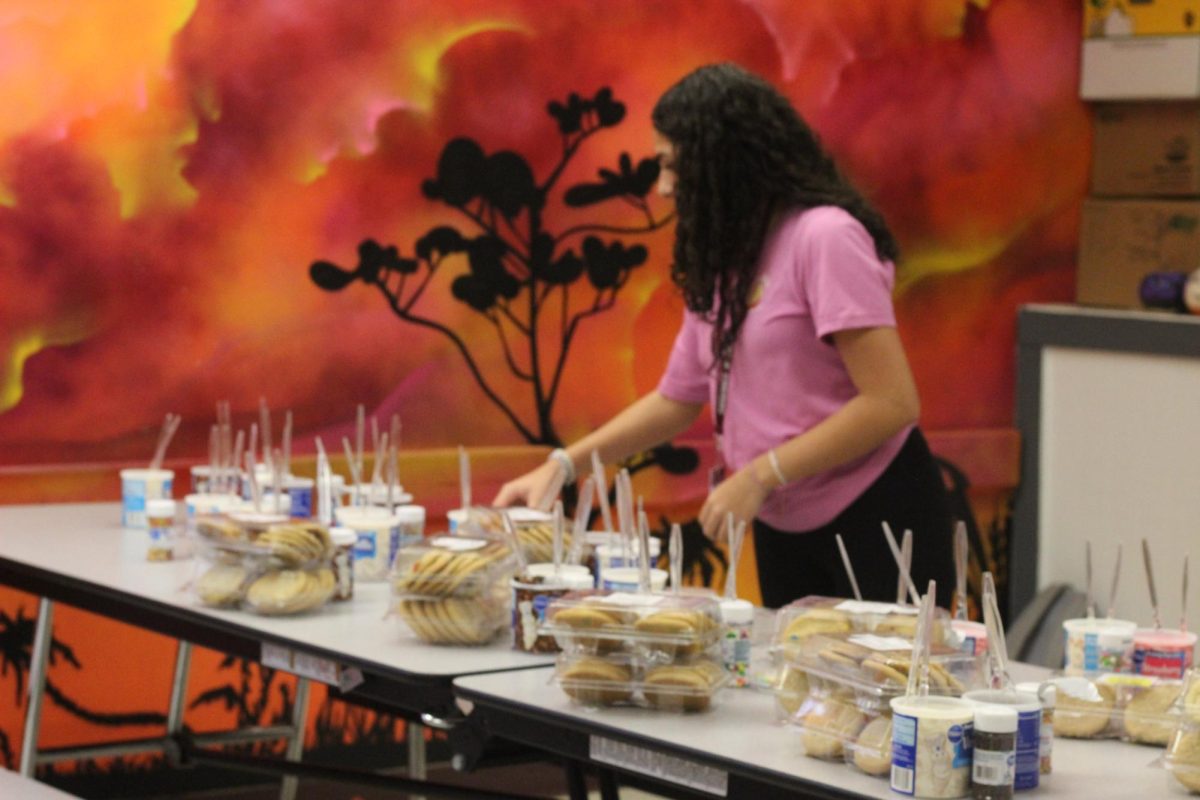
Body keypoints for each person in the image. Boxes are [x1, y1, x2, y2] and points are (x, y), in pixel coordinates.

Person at [494, 62, 955, 609]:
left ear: (725, 162)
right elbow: (675, 400)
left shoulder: (825, 236)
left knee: (879, 688)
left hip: (878, 509)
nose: (663, 188)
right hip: (782, 515)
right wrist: (562, 465)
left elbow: (891, 402)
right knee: (799, 690)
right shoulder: (726, 255)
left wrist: (761, 474)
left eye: (672, 166)